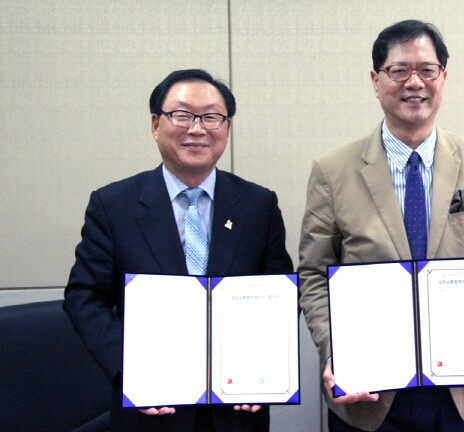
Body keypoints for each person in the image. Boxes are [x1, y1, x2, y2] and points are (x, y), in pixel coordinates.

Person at [298, 20, 464, 432]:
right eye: (399, 70)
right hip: (369, 391)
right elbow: (314, 273)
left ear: (443, 78)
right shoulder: (332, 171)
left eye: (427, 70)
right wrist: (335, 351)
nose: (414, 83)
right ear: (376, 80)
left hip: (456, 389)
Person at [63, 69, 293, 432]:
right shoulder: (114, 204)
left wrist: (264, 365)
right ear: (156, 125)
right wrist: (132, 371)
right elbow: (85, 297)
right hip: (151, 408)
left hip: (237, 407)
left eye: (212, 117)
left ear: (227, 128)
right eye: (182, 115)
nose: (197, 129)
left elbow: (278, 294)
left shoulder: (258, 205)